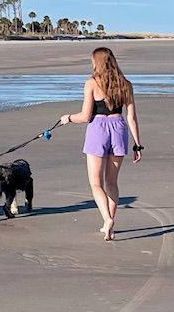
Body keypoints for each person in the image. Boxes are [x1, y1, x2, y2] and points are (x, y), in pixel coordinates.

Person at [56, 45, 143, 240]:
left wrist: (68, 118)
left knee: (95, 183)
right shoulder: (126, 84)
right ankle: (110, 223)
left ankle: (107, 220)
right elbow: (132, 118)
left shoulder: (91, 83)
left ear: (97, 62)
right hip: (119, 128)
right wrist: (138, 144)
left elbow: (85, 115)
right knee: (111, 182)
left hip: (98, 130)